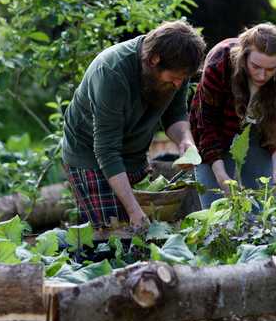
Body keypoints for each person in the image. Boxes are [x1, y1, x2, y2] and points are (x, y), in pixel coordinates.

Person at [62, 20, 206, 228]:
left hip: (133, 154)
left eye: (183, 79)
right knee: (110, 235)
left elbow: (175, 114)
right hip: (90, 156)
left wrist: (185, 140)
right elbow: (106, 150)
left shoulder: (177, 70)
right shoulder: (111, 72)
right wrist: (133, 211)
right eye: (175, 78)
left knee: (143, 237)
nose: (178, 83)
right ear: (154, 59)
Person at [189, 23, 276, 208]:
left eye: (270, 69)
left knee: (260, 204)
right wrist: (221, 175)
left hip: (258, 132)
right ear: (244, 56)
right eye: (256, 66)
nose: (261, 75)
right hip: (216, 130)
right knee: (215, 209)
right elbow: (206, 124)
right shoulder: (220, 63)